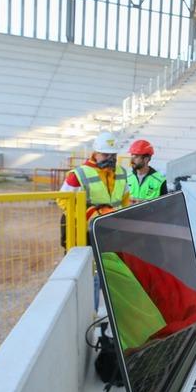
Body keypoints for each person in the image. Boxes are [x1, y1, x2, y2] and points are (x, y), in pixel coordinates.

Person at [59, 130, 130, 310]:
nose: (110, 158)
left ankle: (108, 320)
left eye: (113, 155)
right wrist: (92, 213)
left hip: (111, 232)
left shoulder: (121, 172)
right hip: (86, 234)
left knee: (111, 276)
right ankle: (91, 314)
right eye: (106, 154)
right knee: (92, 277)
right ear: (95, 153)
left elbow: (124, 200)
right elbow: (64, 201)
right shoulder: (78, 174)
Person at [127, 139, 167, 203]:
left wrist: (143, 203)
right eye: (132, 155)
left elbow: (165, 206)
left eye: (136, 156)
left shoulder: (160, 181)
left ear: (146, 159)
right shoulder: (127, 178)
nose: (132, 159)